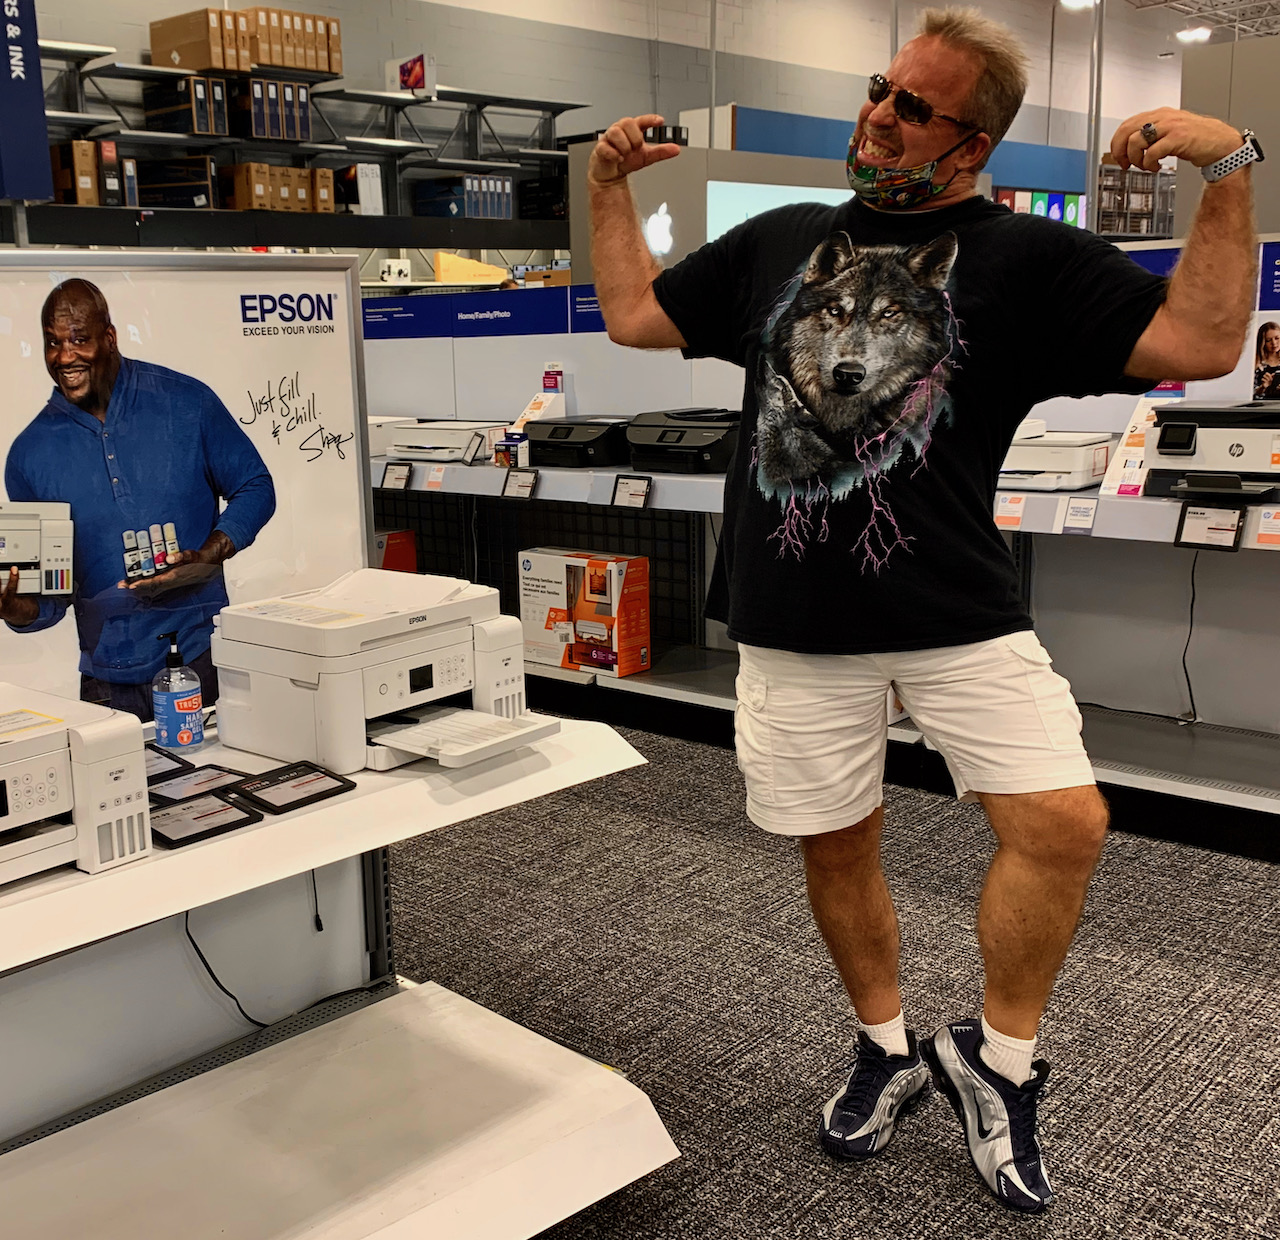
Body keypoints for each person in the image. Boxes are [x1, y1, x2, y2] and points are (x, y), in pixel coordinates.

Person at [587, 6, 1256, 1216]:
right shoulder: (781, 240)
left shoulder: (1022, 260)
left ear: (971, 141)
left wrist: (1228, 169)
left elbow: (1203, 341)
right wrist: (604, 188)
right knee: (836, 842)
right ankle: (884, 1046)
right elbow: (634, 315)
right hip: (793, 614)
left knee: (1062, 822)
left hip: (956, 608)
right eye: (878, 88)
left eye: (911, 106)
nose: (878, 116)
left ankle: (996, 1062)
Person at [2, 278, 276, 721]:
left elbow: (256, 486)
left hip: (204, 659)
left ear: (109, 337)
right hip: (106, 686)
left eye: (79, 339)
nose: (65, 356)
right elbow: (50, 596)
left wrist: (209, 554)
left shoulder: (186, 402)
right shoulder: (29, 454)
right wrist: (14, 607)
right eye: (53, 342)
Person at [1254, 320, 1280, 398]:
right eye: (1268, 340)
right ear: (1263, 342)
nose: (1274, 343)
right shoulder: (1256, 364)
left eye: (1277, 338)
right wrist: (1263, 387)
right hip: (1264, 404)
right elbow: (1250, 394)